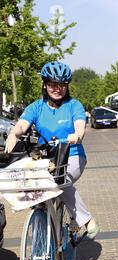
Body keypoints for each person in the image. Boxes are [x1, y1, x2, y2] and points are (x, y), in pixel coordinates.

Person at [5, 61, 99, 240]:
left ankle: (85, 220)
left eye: (62, 85)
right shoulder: (36, 107)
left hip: (72, 155)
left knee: (59, 180)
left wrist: (77, 135)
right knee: (37, 181)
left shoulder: (74, 105)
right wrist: (12, 135)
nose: (58, 89)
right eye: (53, 85)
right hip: (46, 158)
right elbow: (22, 125)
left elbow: (80, 126)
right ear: (45, 84)